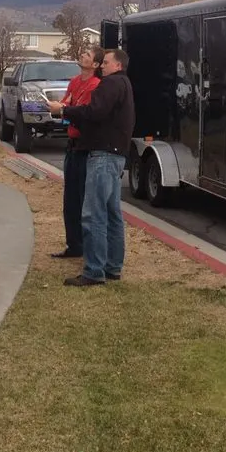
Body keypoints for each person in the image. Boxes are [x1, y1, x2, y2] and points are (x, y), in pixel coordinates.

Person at [46, 49, 134, 286]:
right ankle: (112, 267)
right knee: (112, 213)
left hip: (103, 155)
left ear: (117, 65)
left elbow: (94, 112)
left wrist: (64, 110)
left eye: (105, 62)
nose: (101, 66)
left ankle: (94, 271)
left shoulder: (109, 85)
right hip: (115, 155)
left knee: (94, 213)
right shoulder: (122, 84)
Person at [51, 47, 103, 259]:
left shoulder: (96, 86)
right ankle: (73, 245)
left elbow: (81, 112)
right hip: (71, 144)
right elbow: (67, 103)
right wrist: (61, 108)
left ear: (96, 65)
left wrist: (65, 110)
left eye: (88, 56)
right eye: (83, 54)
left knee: (84, 198)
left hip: (85, 146)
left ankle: (86, 246)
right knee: (70, 199)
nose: (83, 56)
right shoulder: (74, 81)